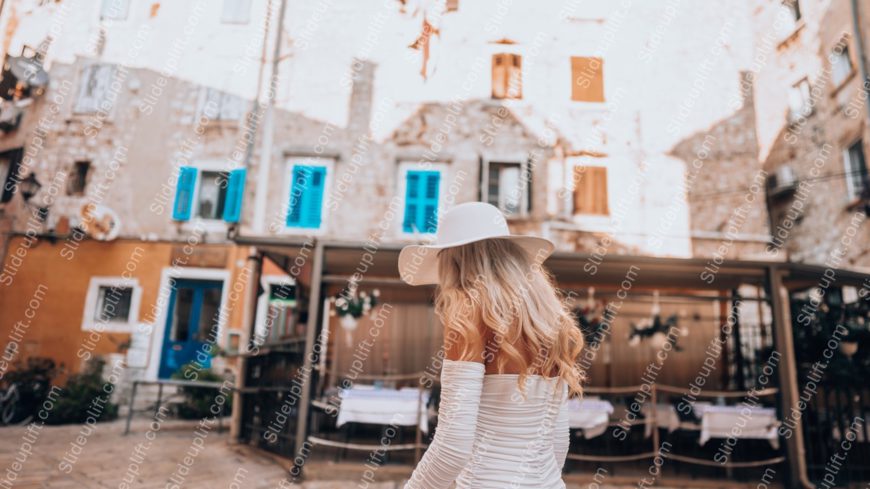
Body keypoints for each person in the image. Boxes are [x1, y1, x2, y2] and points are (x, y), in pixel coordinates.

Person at [398, 202, 584, 489]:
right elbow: (558, 439)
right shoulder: (550, 320)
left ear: (454, 259)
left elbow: (452, 446)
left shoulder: (468, 312)